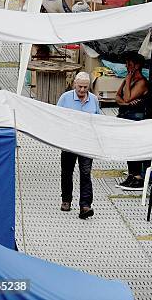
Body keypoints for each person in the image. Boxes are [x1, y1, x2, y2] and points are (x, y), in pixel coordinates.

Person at [56, 72, 100, 219]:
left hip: (87, 143)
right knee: (67, 172)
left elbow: (98, 119)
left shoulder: (93, 100)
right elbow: (56, 117)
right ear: (74, 84)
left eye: (85, 87)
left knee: (86, 173)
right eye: (80, 87)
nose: (82, 90)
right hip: (69, 142)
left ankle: (85, 205)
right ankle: (66, 200)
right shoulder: (65, 98)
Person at [116, 52, 150, 191]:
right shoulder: (126, 80)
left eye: (129, 64)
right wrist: (125, 103)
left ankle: (137, 177)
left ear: (137, 66)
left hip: (136, 118)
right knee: (127, 147)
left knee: (134, 146)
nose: (126, 66)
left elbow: (128, 97)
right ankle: (131, 174)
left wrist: (128, 80)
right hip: (126, 116)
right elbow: (118, 96)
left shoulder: (141, 82)